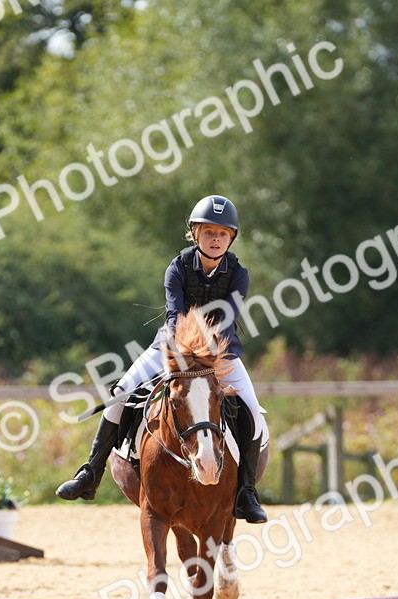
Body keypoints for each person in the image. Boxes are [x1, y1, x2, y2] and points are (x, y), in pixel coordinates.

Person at [56, 194, 269, 523]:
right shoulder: (179, 267)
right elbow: (174, 314)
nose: (215, 239)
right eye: (208, 232)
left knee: (252, 409)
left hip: (219, 352)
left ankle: (246, 491)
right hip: (170, 348)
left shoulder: (238, 273)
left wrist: (205, 352)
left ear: (231, 237)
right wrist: (181, 350)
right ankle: (90, 472)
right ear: (195, 233)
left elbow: (227, 319)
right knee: (119, 394)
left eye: (222, 233)